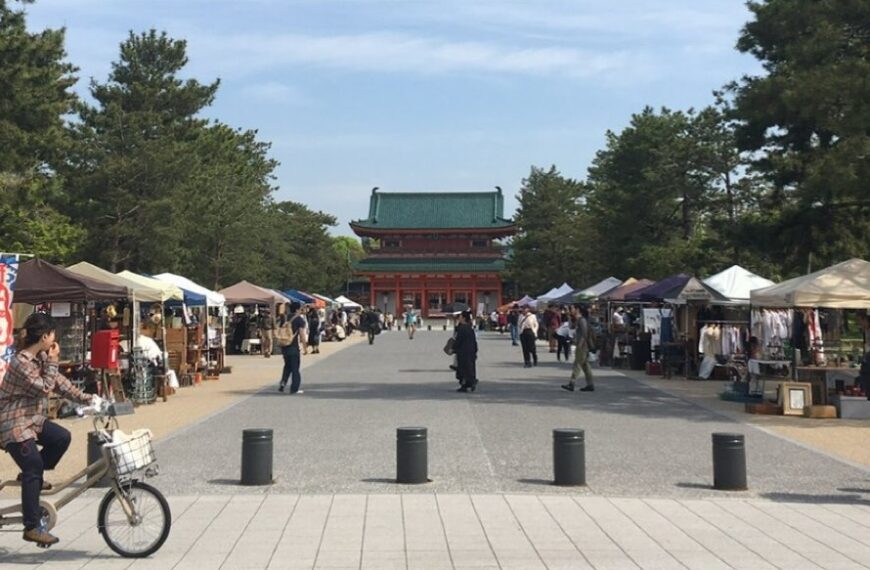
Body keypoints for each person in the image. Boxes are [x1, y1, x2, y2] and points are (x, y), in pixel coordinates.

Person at [0, 313, 99, 546]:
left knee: (61, 437)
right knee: (33, 464)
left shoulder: (42, 357)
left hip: (32, 419)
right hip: (12, 423)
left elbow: (59, 383)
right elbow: (45, 387)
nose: (55, 340)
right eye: (53, 335)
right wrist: (54, 361)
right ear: (44, 337)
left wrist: (89, 399)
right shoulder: (21, 362)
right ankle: (32, 526)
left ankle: (30, 478)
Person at [563, 305, 595, 392]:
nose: (571, 310)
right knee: (585, 366)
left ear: (578, 309)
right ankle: (590, 384)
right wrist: (569, 316)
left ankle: (572, 383)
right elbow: (571, 327)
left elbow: (584, 334)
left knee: (577, 364)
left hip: (582, 346)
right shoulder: (579, 320)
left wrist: (580, 345)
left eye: (572, 308)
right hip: (582, 345)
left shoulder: (582, 320)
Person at [278, 302, 307, 394]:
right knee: (295, 368)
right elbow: (302, 334)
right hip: (293, 346)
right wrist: (305, 347)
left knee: (287, 366)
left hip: (284, 345)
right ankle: (294, 388)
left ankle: (283, 383)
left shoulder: (285, 318)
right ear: (297, 309)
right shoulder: (299, 320)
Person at [453, 310, 479, 392]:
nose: (459, 318)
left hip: (463, 351)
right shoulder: (469, 328)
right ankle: (470, 382)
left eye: (460, 317)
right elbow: (474, 341)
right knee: (470, 368)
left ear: (463, 318)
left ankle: (467, 383)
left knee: (463, 369)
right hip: (471, 351)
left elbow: (458, 340)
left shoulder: (462, 328)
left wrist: (453, 348)